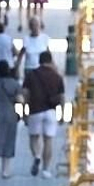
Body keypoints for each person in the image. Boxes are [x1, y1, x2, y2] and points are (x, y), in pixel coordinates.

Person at [23, 50, 66, 178]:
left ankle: (36, 156)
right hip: (51, 111)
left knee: (34, 138)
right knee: (48, 141)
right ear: (51, 61)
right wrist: (63, 114)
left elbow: (25, 94)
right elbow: (62, 97)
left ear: (39, 61)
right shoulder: (57, 77)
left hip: (35, 110)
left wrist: (25, 111)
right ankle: (46, 170)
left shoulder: (31, 75)